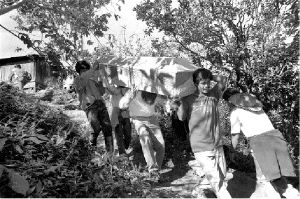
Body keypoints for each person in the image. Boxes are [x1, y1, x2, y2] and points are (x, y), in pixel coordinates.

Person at [223, 89, 300, 199]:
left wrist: (232, 150)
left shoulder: (236, 112)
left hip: (261, 143)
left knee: (264, 177)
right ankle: (291, 193)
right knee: (279, 174)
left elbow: (235, 135)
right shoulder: (257, 107)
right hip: (276, 138)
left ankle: (289, 195)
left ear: (230, 101)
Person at [170, 68, 232, 199]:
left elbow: (223, 79)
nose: (206, 86)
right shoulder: (187, 99)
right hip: (200, 145)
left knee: (221, 175)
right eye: (203, 83)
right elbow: (181, 117)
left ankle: (199, 190)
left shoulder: (213, 95)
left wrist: (207, 75)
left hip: (216, 143)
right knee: (217, 182)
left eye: (208, 83)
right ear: (195, 84)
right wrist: (178, 102)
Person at [119, 88, 166, 180]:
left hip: (152, 119)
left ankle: (156, 171)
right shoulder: (134, 91)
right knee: (146, 140)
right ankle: (153, 170)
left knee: (161, 146)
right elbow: (121, 105)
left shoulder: (153, 91)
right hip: (138, 119)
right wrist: (130, 97)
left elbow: (163, 101)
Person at [73, 60, 114, 153]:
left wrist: (100, 83)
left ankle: (110, 154)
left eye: (86, 69)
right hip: (89, 106)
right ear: (79, 71)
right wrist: (92, 70)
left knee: (108, 128)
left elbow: (102, 92)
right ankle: (91, 151)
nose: (85, 71)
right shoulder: (78, 79)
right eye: (83, 70)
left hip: (100, 103)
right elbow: (81, 86)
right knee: (95, 128)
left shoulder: (93, 77)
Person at [106, 85, 132, 155]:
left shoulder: (125, 87)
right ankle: (122, 153)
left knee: (128, 133)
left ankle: (125, 146)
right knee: (118, 134)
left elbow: (129, 95)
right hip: (115, 111)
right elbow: (114, 91)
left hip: (125, 111)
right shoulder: (111, 86)